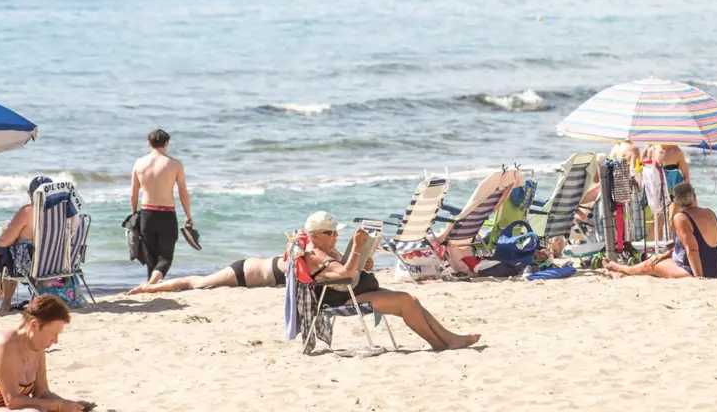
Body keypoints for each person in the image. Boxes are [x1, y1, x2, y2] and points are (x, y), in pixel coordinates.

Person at [301, 212, 480, 351]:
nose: (336, 236)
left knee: (413, 300)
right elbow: (344, 273)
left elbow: (348, 269)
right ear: (315, 236)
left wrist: (363, 262)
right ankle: (438, 344)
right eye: (332, 233)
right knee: (405, 302)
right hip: (343, 299)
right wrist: (356, 246)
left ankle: (449, 338)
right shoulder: (314, 254)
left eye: (336, 232)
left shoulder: (327, 249)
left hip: (354, 291)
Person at [0, 295, 91, 411]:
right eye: (53, 334)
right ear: (34, 325)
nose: (55, 341)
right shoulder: (4, 345)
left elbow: (42, 393)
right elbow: (12, 400)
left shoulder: (37, 348)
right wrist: (59, 406)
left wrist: (71, 405)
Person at [603, 182, 717, 279]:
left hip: (695, 270)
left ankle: (622, 269)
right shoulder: (709, 212)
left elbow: (692, 249)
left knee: (649, 265)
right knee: (656, 259)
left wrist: (698, 277)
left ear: (676, 202)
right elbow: (696, 245)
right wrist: (663, 256)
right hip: (716, 268)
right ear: (695, 197)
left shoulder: (681, 218)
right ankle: (622, 274)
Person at [0, 175, 52, 314]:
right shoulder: (62, 213)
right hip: (54, 263)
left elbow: (4, 241)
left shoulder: (28, 211)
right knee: (8, 260)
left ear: (31, 195)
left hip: (28, 266)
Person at [130, 129, 193, 283]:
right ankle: (151, 284)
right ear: (167, 143)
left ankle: (150, 285)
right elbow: (183, 192)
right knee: (165, 257)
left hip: (146, 214)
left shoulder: (139, 163)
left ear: (149, 144)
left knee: (151, 258)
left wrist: (134, 214)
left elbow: (133, 194)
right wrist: (188, 216)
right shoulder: (175, 164)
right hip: (167, 214)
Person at [127, 254, 288, 294]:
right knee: (194, 283)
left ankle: (151, 286)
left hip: (246, 274)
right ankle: (149, 288)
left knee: (197, 282)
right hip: (241, 273)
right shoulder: (299, 258)